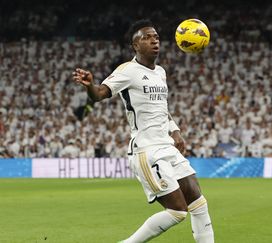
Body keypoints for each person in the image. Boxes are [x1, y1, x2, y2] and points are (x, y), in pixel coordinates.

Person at [72, 19, 214, 243]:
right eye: (147, 37)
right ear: (135, 45)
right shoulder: (128, 71)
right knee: (177, 212)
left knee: (199, 203)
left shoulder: (161, 72)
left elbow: (161, 108)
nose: (154, 40)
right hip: (147, 151)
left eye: (156, 36)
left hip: (167, 146)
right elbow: (99, 94)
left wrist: (175, 131)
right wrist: (90, 85)